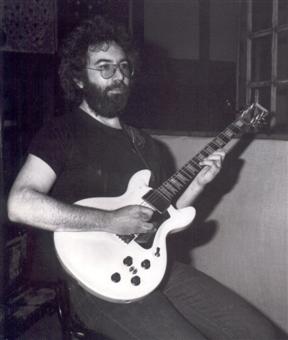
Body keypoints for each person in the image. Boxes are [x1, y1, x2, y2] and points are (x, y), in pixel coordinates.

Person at [7, 15, 284, 340]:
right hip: (91, 282)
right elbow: (20, 204)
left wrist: (198, 183)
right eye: (105, 67)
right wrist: (110, 221)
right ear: (79, 78)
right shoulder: (61, 132)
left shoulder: (144, 144)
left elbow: (162, 216)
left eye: (124, 67)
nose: (118, 76)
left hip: (154, 266)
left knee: (260, 333)